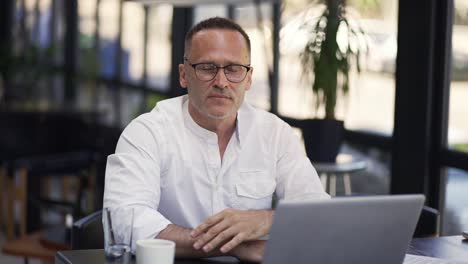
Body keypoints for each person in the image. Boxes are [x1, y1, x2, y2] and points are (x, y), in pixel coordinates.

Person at [103, 17, 329, 262]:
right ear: (183, 75)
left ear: (249, 78)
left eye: (233, 69)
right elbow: (126, 222)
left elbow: (317, 213)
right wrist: (232, 246)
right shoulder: (147, 132)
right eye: (207, 68)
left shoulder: (274, 133)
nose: (221, 82)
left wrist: (264, 220)